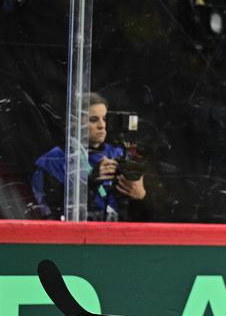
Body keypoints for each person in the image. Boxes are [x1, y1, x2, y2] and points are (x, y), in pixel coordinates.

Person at [30, 93, 148, 221]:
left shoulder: (118, 155)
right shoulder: (53, 160)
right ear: (75, 123)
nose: (102, 125)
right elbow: (48, 212)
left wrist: (140, 197)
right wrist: (89, 182)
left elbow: (141, 218)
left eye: (104, 119)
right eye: (93, 120)